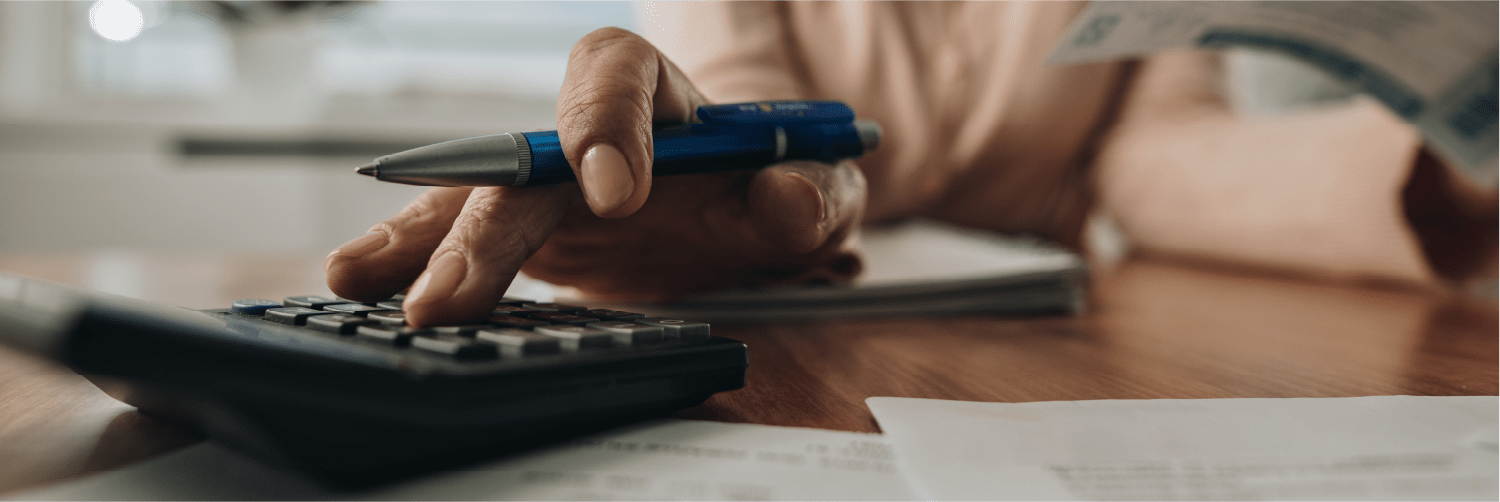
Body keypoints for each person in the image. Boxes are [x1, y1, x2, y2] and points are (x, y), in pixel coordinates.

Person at [324, 2, 1497, 327]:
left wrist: (1451, 180)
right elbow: (729, 131)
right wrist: (700, 201)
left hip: (1040, 351)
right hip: (782, 342)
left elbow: (1150, 160)